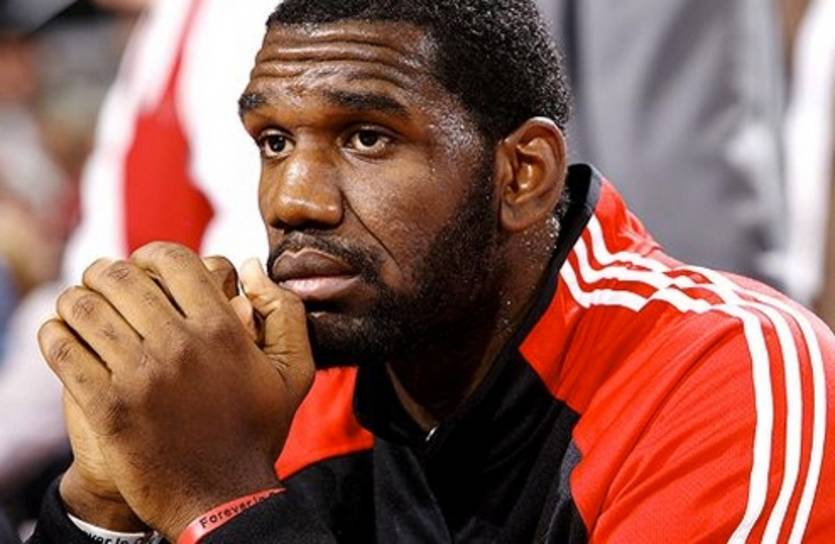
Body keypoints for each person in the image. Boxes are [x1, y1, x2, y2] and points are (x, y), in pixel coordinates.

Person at [22, 1, 835, 542]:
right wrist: (103, 506)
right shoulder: (287, 391)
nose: (294, 200)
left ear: (522, 174)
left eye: (366, 138)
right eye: (274, 142)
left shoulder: (728, 376)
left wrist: (220, 500)